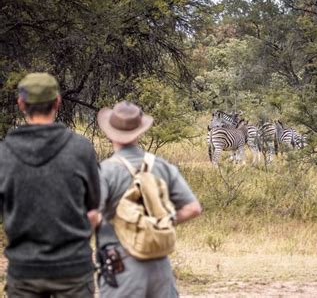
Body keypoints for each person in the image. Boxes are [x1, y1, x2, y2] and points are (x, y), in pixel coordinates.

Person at [0, 72, 101, 297]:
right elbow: (94, 207)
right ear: (57, 102)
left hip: (25, 271)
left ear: (21, 104)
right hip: (74, 269)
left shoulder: (4, 154)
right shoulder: (81, 149)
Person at [96, 100, 202, 298]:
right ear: (140, 132)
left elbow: (92, 215)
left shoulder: (106, 171)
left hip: (121, 267)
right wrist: (159, 224)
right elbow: (193, 208)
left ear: (109, 133)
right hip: (160, 267)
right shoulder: (162, 166)